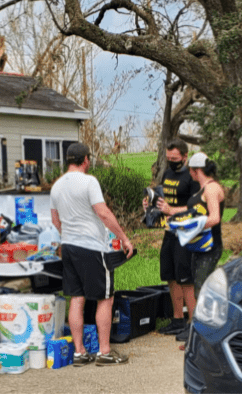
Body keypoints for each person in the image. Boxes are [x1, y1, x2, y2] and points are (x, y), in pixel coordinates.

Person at [50, 142, 135, 367]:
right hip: (92, 248)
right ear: (85, 159)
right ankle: (104, 352)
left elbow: (55, 220)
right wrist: (124, 238)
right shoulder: (90, 181)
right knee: (105, 298)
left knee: (77, 298)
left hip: (68, 247)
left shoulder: (56, 186)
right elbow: (103, 213)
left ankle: (79, 353)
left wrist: (69, 235)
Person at [156, 152, 225, 342]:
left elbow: (214, 217)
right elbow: (194, 212)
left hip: (210, 246)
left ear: (195, 171)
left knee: (201, 288)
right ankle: (195, 327)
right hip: (198, 246)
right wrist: (177, 218)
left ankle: (202, 332)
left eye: (191, 172)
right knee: (197, 287)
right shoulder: (202, 190)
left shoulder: (211, 189)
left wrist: (191, 226)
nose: (190, 175)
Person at [142, 138, 200, 336]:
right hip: (169, 231)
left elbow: (197, 207)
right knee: (170, 276)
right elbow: (162, 199)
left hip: (187, 233)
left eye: (175, 158)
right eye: (168, 158)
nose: (171, 162)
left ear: (185, 157)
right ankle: (178, 320)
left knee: (186, 279)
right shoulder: (167, 173)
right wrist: (150, 206)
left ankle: (193, 325)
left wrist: (172, 209)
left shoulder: (192, 177)